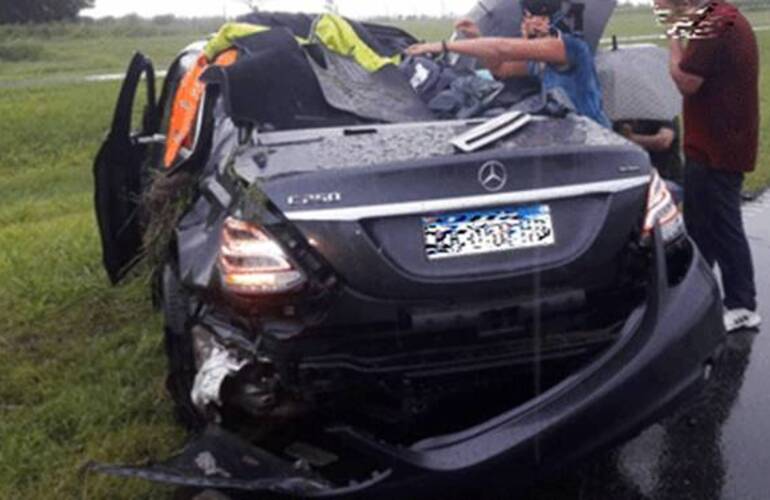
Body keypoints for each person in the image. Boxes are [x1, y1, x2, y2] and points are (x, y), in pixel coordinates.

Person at [656, 0, 761, 332]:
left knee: (723, 225)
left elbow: (686, 80)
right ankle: (695, 294)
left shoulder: (715, 23)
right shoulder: (718, 18)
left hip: (719, 146)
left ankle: (743, 304)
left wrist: (672, 38)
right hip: (713, 144)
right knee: (701, 225)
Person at [405, 0, 610, 128]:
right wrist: (477, 37)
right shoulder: (539, 62)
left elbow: (503, 48)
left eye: (532, 17)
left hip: (592, 133)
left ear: (550, 20)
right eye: (525, 17)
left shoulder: (570, 47)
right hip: (567, 131)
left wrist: (443, 46)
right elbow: (499, 69)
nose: (525, 23)